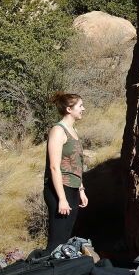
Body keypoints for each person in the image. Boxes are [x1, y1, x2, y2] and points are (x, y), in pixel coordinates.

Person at [44, 92, 88, 253]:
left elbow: (76, 164)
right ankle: (45, 273)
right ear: (69, 109)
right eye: (80, 106)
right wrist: (62, 199)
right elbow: (54, 167)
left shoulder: (73, 131)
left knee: (65, 239)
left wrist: (81, 189)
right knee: (57, 242)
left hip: (73, 189)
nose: (83, 109)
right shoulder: (58, 130)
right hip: (59, 190)